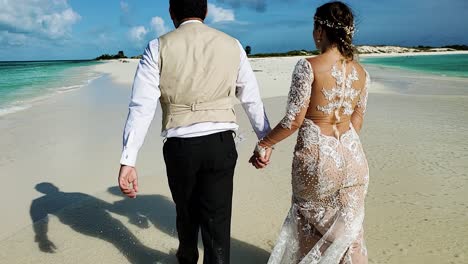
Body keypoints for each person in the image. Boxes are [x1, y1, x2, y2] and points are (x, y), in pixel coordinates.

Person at [117, 0, 271, 263]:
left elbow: (141, 106)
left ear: (171, 12)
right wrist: (265, 139)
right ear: (206, 11)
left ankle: (187, 255)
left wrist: (128, 160)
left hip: (181, 146)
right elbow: (251, 98)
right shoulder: (232, 44)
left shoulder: (158, 47)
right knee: (217, 223)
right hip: (221, 144)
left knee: (186, 215)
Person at [250, 2, 370, 263]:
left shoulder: (309, 66)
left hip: (319, 157)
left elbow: (293, 120)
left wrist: (264, 144)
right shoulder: (362, 73)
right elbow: (356, 122)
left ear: (320, 30)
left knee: (309, 226)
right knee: (349, 232)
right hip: (353, 158)